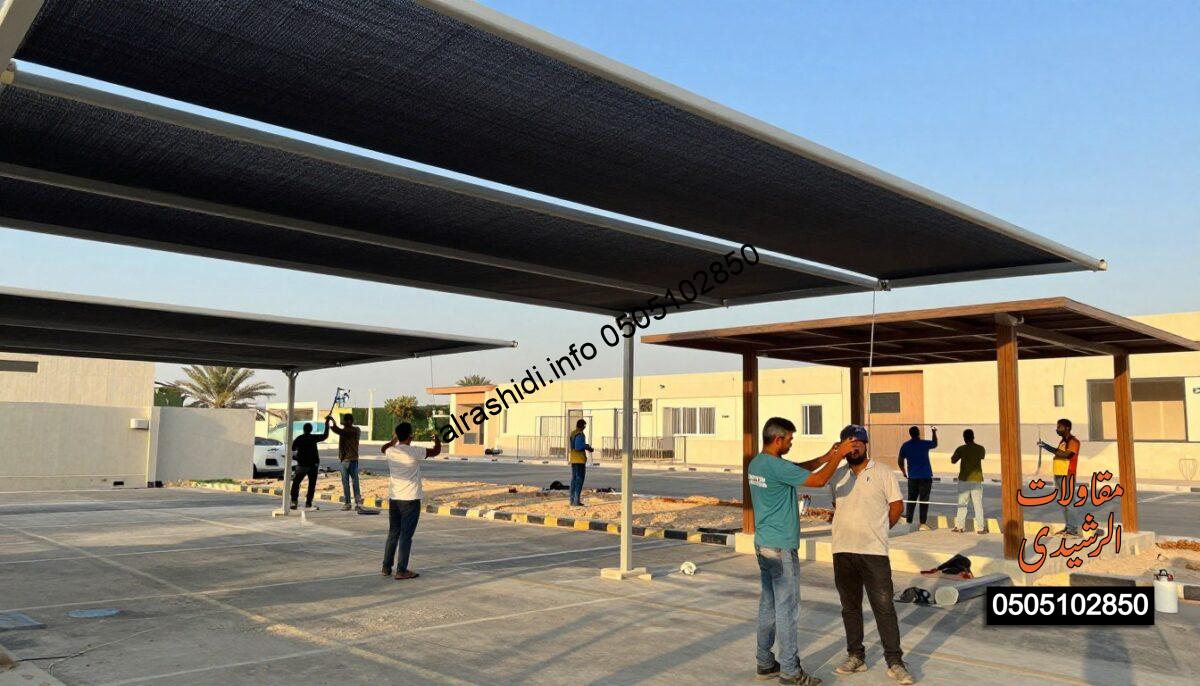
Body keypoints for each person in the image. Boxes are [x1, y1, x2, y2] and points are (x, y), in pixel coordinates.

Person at [748, 416, 860, 686]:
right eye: (789, 440)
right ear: (778, 439)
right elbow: (819, 480)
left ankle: (765, 662)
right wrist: (841, 455)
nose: (791, 443)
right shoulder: (775, 466)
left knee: (769, 605)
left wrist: (826, 455)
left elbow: (798, 468)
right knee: (787, 610)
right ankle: (789, 670)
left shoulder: (759, 463)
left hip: (763, 544)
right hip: (781, 547)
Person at [828, 425, 914, 685]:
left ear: (866, 445)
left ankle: (895, 661)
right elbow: (838, 505)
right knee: (850, 607)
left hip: (873, 552)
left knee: (884, 607)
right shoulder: (837, 476)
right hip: (843, 550)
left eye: (858, 443)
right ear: (841, 447)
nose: (853, 448)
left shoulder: (883, 472)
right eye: (848, 443)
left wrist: (880, 528)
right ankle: (856, 656)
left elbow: (897, 506)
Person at [379, 422, 441, 580]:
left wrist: (392, 441)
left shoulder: (391, 451)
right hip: (411, 499)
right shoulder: (415, 451)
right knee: (406, 536)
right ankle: (401, 570)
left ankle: (386, 567)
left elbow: (383, 448)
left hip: (395, 499)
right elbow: (435, 451)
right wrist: (437, 439)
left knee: (393, 533)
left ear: (397, 435)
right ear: (410, 436)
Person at [1038, 418, 1081, 536]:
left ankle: (1072, 530)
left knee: (1069, 502)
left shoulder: (1074, 441)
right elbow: (1059, 453)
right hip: (1058, 474)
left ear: (1067, 428)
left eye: (1059, 427)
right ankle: (1068, 527)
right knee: (1063, 502)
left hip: (1068, 474)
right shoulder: (1063, 441)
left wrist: (1047, 447)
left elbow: (1066, 455)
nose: (1057, 429)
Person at [897, 426, 937, 530]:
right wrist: (933, 432)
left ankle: (909, 520)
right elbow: (935, 443)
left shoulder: (906, 445)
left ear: (910, 434)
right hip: (925, 476)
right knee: (924, 500)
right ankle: (922, 523)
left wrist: (903, 471)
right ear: (918, 433)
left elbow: (900, 460)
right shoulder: (924, 444)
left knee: (911, 499)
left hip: (913, 477)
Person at [950, 429, 986, 533]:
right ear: (973, 436)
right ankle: (980, 528)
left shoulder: (961, 449)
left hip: (964, 480)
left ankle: (960, 526)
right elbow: (982, 457)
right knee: (978, 504)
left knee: (962, 504)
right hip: (976, 480)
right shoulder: (980, 448)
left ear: (964, 438)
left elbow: (953, 460)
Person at [290, 420, 329, 510]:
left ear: (303, 430)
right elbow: (325, 436)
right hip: (313, 465)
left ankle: (294, 502)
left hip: (302, 465)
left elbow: (293, 448)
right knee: (311, 485)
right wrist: (327, 425)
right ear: (311, 430)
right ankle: (308, 502)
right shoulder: (313, 438)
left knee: (296, 483)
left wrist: (297, 455)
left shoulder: (299, 438)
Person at [327, 412, 363, 511]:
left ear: (349, 421)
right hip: (348, 460)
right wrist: (331, 422)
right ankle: (353, 503)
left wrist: (331, 422)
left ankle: (353, 503)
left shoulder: (354, 430)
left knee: (351, 482)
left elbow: (337, 430)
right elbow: (338, 430)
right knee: (350, 482)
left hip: (349, 460)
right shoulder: (348, 431)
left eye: (345, 420)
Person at [567, 419, 594, 506]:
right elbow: (578, 446)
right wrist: (587, 447)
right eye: (584, 426)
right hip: (579, 460)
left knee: (574, 480)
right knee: (579, 480)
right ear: (582, 426)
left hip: (574, 459)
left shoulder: (573, 433)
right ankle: (576, 501)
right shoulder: (580, 434)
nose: (585, 427)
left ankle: (572, 500)